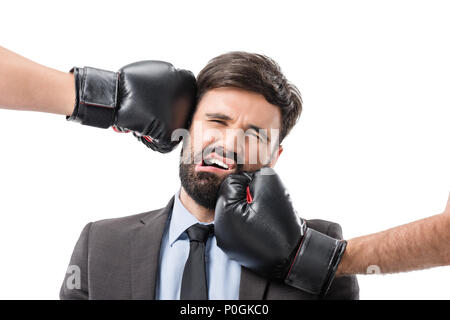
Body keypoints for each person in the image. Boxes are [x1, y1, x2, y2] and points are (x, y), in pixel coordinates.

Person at [0, 46, 358, 299]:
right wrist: (95, 95)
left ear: (274, 157)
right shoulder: (101, 245)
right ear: (183, 125)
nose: (229, 142)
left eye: (254, 135)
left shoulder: (314, 249)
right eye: (217, 120)